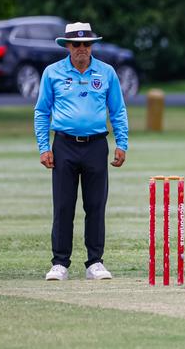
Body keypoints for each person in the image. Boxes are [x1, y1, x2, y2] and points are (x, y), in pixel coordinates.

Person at [34, 22, 129, 281]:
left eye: (86, 44)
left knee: (96, 205)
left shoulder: (106, 72)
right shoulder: (52, 73)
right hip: (64, 144)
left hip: (97, 145)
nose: (81, 49)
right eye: (76, 44)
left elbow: (118, 111)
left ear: (92, 46)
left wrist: (122, 143)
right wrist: (44, 147)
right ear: (67, 46)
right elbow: (42, 111)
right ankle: (60, 263)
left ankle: (95, 262)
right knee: (63, 206)